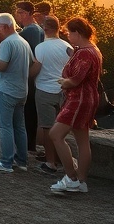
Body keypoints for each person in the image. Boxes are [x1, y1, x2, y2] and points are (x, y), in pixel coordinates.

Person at [50, 16, 104, 193]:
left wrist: (64, 82)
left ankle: (71, 177)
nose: (67, 36)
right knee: (82, 141)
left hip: (79, 99)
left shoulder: (84, 53)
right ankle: (81, 180)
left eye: (69, 33)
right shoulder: (93, 49)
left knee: (56, 135)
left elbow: (75, 80)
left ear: (77, 33)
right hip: (88, 98)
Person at [0, 12, 33, 173]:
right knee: (19, 126)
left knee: (5, 126)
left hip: (6, 89)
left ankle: (6, 162)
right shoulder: (23, 42)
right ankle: (22, 161)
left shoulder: (7, 43)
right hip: (22, 90)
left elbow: (2, 66)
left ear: (6, 26)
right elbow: (33, 63)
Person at [31, 15, 72, 174]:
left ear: (45, 28)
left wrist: (26, 75)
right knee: (60, 127)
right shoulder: (67, 46)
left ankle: (50, 162)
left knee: (47, 127)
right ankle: (59, 157)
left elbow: (36, 69)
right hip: (63, 90)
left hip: (44, 90)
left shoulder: (41, 47)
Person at [14, 1, 44, 155]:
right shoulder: (36, 28)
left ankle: (27, 145)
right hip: (34, 77)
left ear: (25, 13)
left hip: (29, 77)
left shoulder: (30, 30)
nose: (16, 15)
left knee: (28, 113)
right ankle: (29, 144)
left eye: (18, 12)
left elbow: (32, 56)